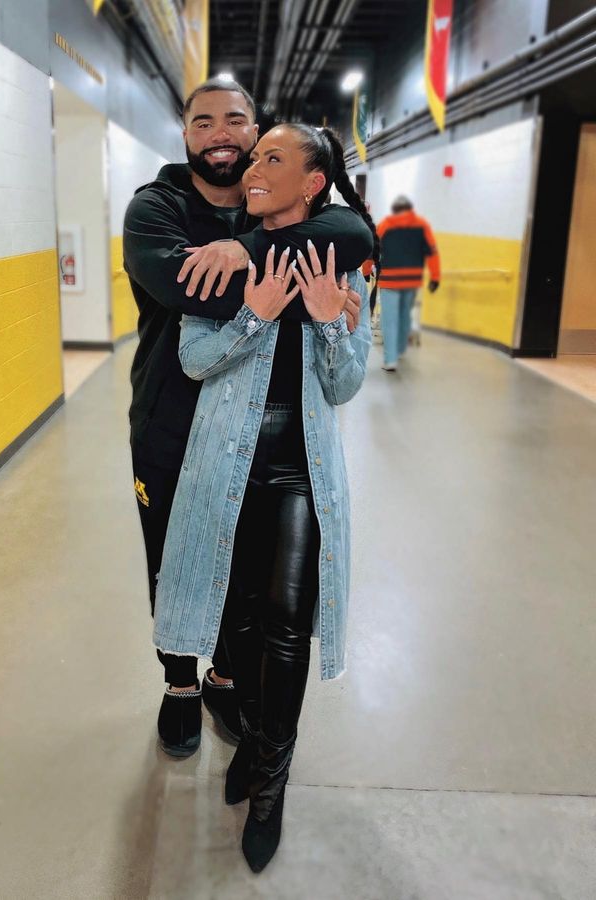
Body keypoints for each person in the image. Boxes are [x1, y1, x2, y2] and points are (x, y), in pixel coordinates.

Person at [153, 124, 379, 871]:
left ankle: (271, 788)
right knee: (239, 621)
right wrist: (254, 314)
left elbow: (344, 386)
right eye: (255, 157)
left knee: (287, 626)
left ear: (314, 184)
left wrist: (327, 324)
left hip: (299, 470)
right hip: (226, 460)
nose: (254, 167)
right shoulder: (221, 259)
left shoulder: (342, 260)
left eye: (273, 159)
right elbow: (193, 360)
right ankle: (249, 743)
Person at [123, 79, 369, 759]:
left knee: (240, 568)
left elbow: (353, 231)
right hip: (170, 418)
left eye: (236, 122)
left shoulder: (266, 217)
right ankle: (179, 683)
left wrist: (250, 253)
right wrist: (296, 285)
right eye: (204, 123)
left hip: (245, 432)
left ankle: (226, 676)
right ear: (187, 135)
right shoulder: (155, 208)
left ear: (258, 135)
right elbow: (180, 284)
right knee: (172, 560)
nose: (221, 134)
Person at [365, 194, 440, 372]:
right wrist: (435, 277)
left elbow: (372, 250)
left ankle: (390, 359)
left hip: (390, 280)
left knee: (389, 319)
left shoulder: (385, 225)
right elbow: (432, 251)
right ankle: (399, 350)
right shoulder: (422, 225)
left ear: (395, 210)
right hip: (412, 280)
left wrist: (366, 271)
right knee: (405, 315)